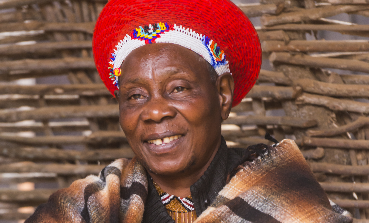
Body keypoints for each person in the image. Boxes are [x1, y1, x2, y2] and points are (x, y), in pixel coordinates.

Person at [25, 0, 353, 222]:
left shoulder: (281, 193)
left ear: (222, 95)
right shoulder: (92, 205)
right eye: (135, 96)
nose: (154, 112)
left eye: (179, 88)